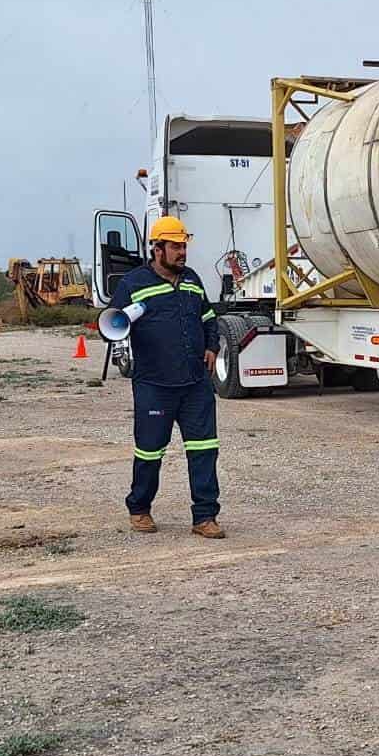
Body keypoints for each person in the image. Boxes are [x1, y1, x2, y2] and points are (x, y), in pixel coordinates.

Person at [108, 216, 225, 538]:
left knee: (204, 449)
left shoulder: (192, 280)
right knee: (149, 450)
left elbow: (209, 318)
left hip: (195, 384)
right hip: (154, 385)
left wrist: (213, 346)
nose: (182, 253)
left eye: (183, 246)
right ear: (157, 249)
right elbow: (111, 326)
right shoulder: (133, 283)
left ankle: (205, 517)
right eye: (175, 247)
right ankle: (139, 508)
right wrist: (119, 329)